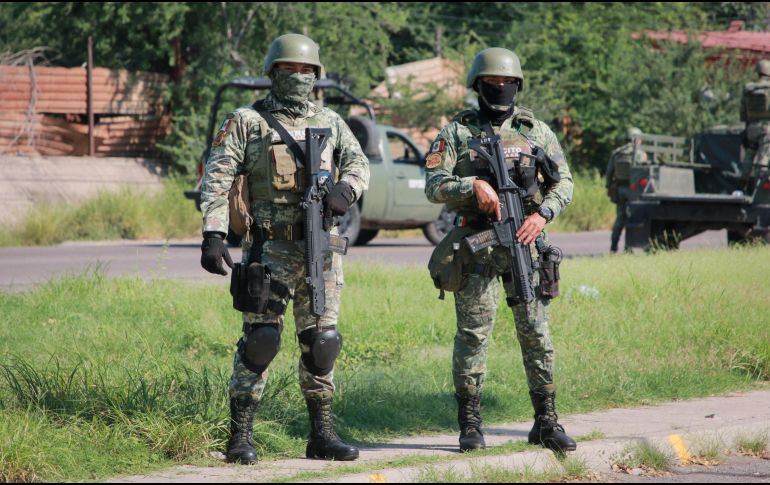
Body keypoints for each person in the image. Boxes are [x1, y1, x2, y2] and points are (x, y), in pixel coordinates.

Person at [199, 33, 369, 464]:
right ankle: (239, 437)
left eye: (306, 71)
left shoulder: (331, 122)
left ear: (317, 76)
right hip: (267, 251)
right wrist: (214, 234)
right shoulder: (247, 121)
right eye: (289, 70)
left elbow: (358, 163)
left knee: (323, 343)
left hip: (321, 251)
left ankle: (322, 436)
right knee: (261, 341)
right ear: (272, 73)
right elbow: (217, 179)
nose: (298, 77)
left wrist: (346, 191)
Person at [424, 47, 576, 453]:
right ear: (478, 85)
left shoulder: (535, 132)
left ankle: (546, 422)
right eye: (493, 83)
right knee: (473, 337)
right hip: (476, 248)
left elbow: (564, 182)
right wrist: (470, 187)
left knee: (537, 335)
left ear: (518, 86)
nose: (501, 89)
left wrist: (542, 214)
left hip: (525, 245)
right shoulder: (457, 132)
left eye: (508, 83)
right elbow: (433, 183)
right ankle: (470, 424)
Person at [606, 127, 646, 253]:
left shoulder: (617, 153)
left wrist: (609, 187)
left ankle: (613, 248)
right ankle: (628, 248)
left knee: (619, 220)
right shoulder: (640, 154)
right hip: (634, 192)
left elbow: (609, 173)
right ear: (637, 139)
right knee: (632, 219)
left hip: (620, 191)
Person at [741, 60, 770, 171]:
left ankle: (743, 181)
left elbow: (743, 112)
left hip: (751, 127)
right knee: (764, 156)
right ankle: (761, 183)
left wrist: (747, 127)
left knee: (749, 155)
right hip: (767, 128)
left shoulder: (749, 88)